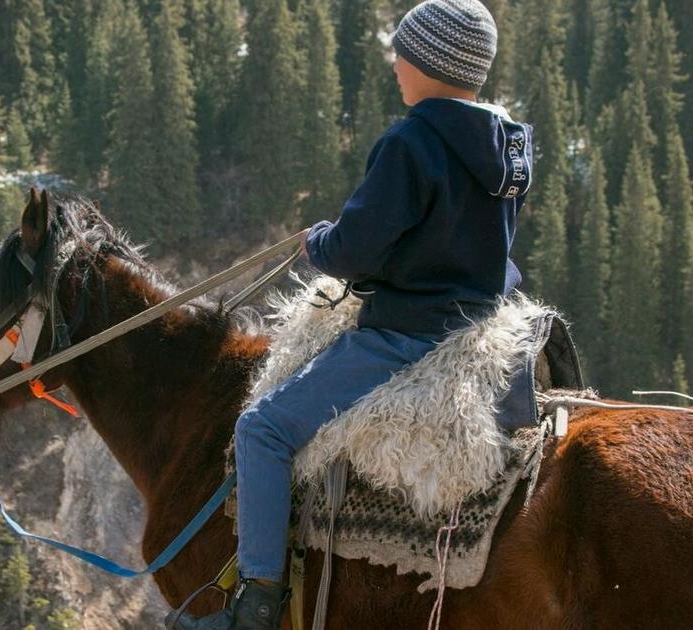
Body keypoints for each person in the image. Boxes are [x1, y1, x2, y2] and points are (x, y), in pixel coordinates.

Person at [168, 1, 533, 627]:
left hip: (407, 334)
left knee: (262, 430)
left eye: (404, 52)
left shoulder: (411, 142)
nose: (395, 63)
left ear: (429, 62)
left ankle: (256, 602)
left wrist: (318, 243)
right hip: (483, 324)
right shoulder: (510, 144)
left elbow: (355, 250)